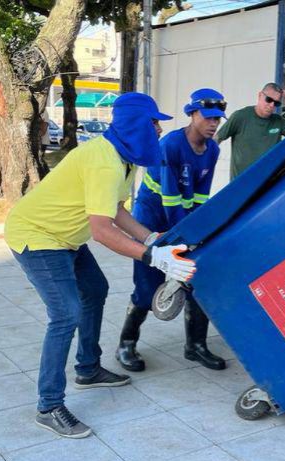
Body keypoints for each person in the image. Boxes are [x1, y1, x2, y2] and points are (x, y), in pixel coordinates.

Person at [4, 92, 196, 438]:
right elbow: (102, 230)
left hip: (65, 238)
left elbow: (117, 210)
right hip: (38, 235)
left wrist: (150, 238)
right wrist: (151, 256)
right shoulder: (104, 160)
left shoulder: (124, 158)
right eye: (153, 123)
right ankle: (48, 405)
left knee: (95, 290)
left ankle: (88, 369)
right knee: (66, 314)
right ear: (136, 124)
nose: (157, 130)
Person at [117, 89, 227, 373]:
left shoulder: (213, 149)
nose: (214, 124)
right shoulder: (171, 145)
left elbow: (201, 196)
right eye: (208, 117)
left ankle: (196, 346)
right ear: (192, 114)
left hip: (181, 218)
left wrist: (198, 233)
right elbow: (170, 199)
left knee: (196, 279)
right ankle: (126, 344)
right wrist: (183, 238)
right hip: (151, 220)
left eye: (218, 118)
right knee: (147, 286)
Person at [216, 82, 285, 179]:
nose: (272, 105)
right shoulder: (241, 116)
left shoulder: (278, 121)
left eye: (276, 103)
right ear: (260, 95)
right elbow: (217, 139)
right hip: (242, 185)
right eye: (269, 99)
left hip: (268, 184)